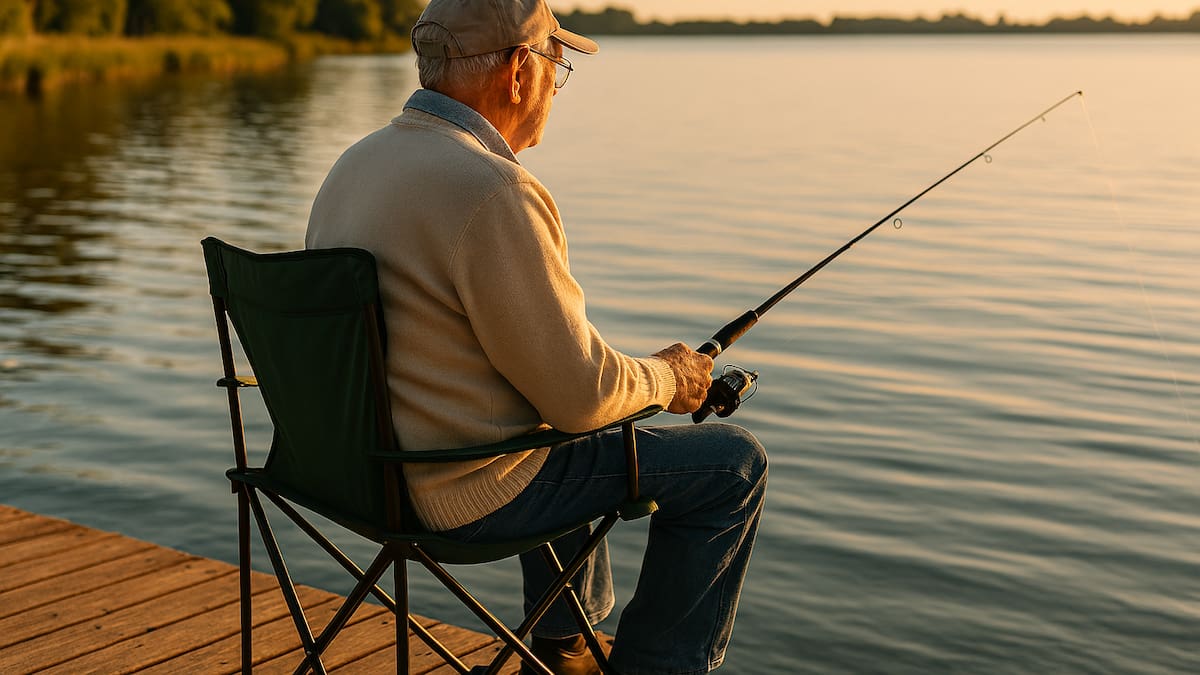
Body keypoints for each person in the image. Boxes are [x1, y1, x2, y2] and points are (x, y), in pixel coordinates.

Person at [304, 1, 767, 673]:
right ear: (520, 70)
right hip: (459, 490)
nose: (556, 83)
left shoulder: (354, 166)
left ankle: (560, 644)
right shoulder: (492, 190)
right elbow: (582, 395)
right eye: (556, 64)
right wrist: (672, 375)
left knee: (565, 411)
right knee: (732, 465)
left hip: (355, 476)